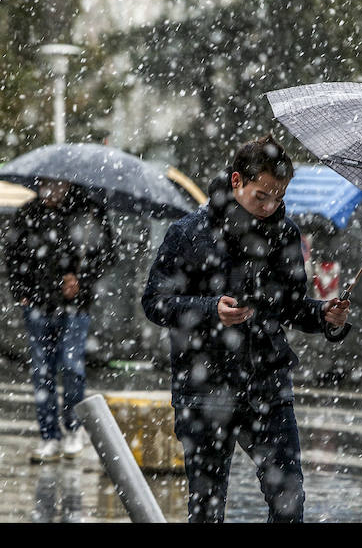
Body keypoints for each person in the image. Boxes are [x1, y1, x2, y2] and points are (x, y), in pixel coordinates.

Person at [142, 134, 350, 523]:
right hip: (204, 386)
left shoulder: (285, 234)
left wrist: (325, 316)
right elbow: (155, 302)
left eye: (279, 196)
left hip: (267, 382)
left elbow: (290, 305)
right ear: (236, 181)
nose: (270, 206)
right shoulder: (188, 233)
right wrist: (209, 310)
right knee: (206, 507)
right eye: (262, 195)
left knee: (289, 500)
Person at [4, 179, 113, 462]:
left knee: (72, 365)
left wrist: (83, 280)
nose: (49, 190)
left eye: (56, 185)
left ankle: (74, 427)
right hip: (39, 304)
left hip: (76, 306)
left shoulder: (89, 213)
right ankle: (49, 435)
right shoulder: (28, 214)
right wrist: (23, 293)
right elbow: (13, 256)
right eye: (45, 184)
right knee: (43, 371)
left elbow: (107, 253)